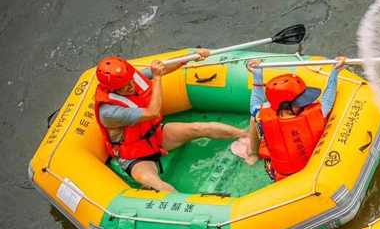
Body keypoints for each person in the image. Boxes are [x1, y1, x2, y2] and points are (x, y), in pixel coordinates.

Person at [94, 52, 248, 192]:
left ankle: (246, 134)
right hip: (133, 155)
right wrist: (157, 78)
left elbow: (164, 68)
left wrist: (190, 57)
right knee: (154, 182)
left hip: (155, 135)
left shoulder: (132, 78)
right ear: (111, 89)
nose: (130, 86)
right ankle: (189, 207)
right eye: (123, 86)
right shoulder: (109, 112)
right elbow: (152, 112)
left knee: (198, 128)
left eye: (131, 81)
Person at [240, 57, 347, 180]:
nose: (306, 103)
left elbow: (254, 104)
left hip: (276, 173)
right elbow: (327, 100)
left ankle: (252, 153)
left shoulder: (261, 116)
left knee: (254, 120)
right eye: (300, 101)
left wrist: (257, 75)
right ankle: (252, 152)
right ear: (286, 107)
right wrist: (335, 72)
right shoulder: (316, 114)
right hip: (309, 172)